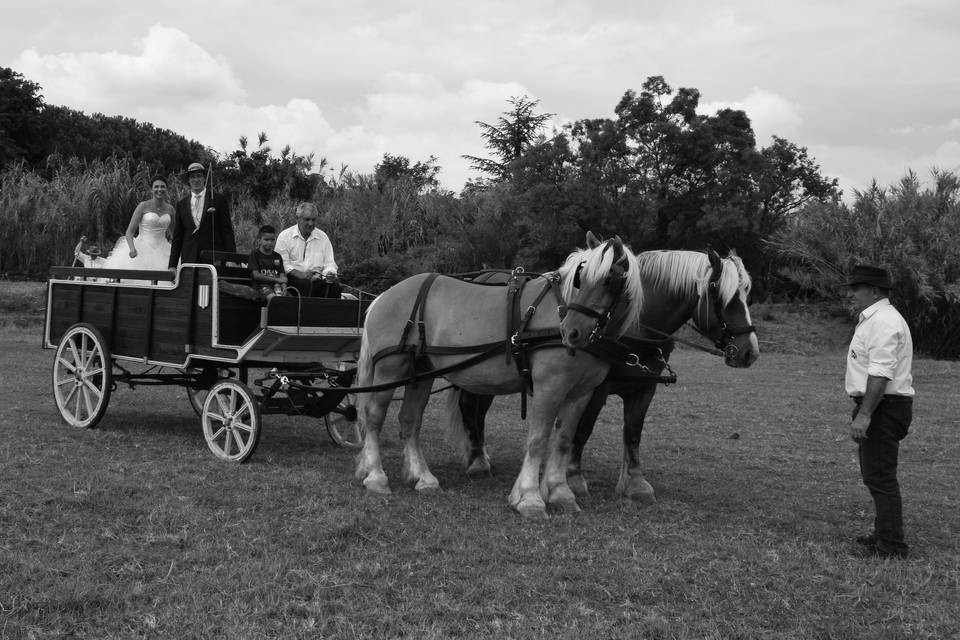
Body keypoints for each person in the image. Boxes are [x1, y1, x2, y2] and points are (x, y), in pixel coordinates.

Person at [843, 264, 914, 559]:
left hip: (883, 407)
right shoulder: (878, 318)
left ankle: (891, 546)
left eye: (856, 288)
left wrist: (866, 414)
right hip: (883, 406)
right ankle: (883, 534)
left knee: (880, 476)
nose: (851, 294)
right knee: (876, 474)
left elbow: (880, 373)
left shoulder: (882, 322)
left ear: (874, 291)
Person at [76, 175, 175, 271]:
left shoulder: (170, 209)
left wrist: (174, 246)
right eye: (156, 187)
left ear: (166, 189)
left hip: (163, 250)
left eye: (162, 187)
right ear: (151, 190)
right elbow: (129, 232)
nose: (159, 189)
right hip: (142, 248)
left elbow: (175, 233)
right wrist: (132, 249)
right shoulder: (143, 206)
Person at [168, 162, 236, 269]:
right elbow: (177, 237)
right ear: (188, 180)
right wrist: (172, 265)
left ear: (204, 178)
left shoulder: (218, 200)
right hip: (189, 258)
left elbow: (227, 232)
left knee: (213, 286)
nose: (196, 180)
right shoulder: (181, 204)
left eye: (199, 176)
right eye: (193, 177)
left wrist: (231, 259)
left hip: (213, 257)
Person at [275, 202, 342, 298]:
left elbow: (329, 263)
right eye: (307, 219)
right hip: (293, 279)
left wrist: (329, 274)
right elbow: (282, 264)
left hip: (317, 279)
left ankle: (329, 313)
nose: (311, 223)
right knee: (305, 284)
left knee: (334, 287)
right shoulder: (285, 236)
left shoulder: (323, 237)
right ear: (297, 219)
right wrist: (300, 274)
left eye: (313, 220)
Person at [249, 225, 287, 303]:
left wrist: (284, 288)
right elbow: (256, 275)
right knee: (273, 299)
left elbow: (283, 277)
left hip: (277, 287)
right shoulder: (255, 254)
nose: (269, 242)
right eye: (266, 240)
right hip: (261, 287)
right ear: (259, 241)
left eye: (272, 240)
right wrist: (276, 279)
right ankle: (271, 315)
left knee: (290, 299)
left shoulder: (277, 256)